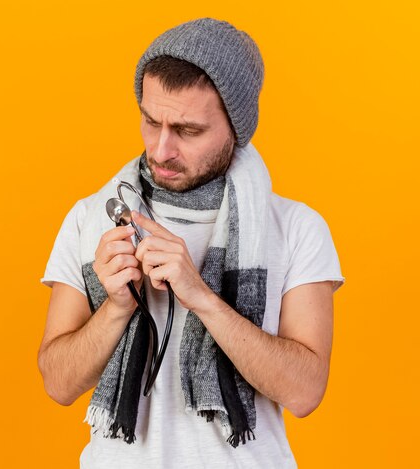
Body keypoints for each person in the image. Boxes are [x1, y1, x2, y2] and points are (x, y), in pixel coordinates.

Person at [38, 17, 345, 468]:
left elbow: (304, 392)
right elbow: (58, 384)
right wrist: (118, 306)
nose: (161, 150)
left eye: (188, 131)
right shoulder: (91, 218)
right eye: (150, 121)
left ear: (237, 128)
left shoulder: (296, 227)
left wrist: (200, 295)